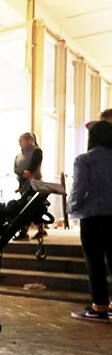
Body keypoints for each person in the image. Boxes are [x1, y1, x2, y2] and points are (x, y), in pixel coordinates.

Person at [69, 120, 112, 322]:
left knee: (95, 262)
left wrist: (72, 208)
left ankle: (99, 307)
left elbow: (79, 189)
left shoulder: (85, 159)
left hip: (93, 216)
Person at [13, 132, 44, 240]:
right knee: (28, 207)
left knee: (31, 207)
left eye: (22, 140)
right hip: (23, 185)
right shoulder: (18, 156)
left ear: (29, 140)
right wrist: (22, 176)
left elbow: (33, 166)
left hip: (34, 183)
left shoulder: (36, 151)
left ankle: (25, 231)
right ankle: (38, 230)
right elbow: (16, 169)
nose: (20, 143)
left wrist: (28, 172)